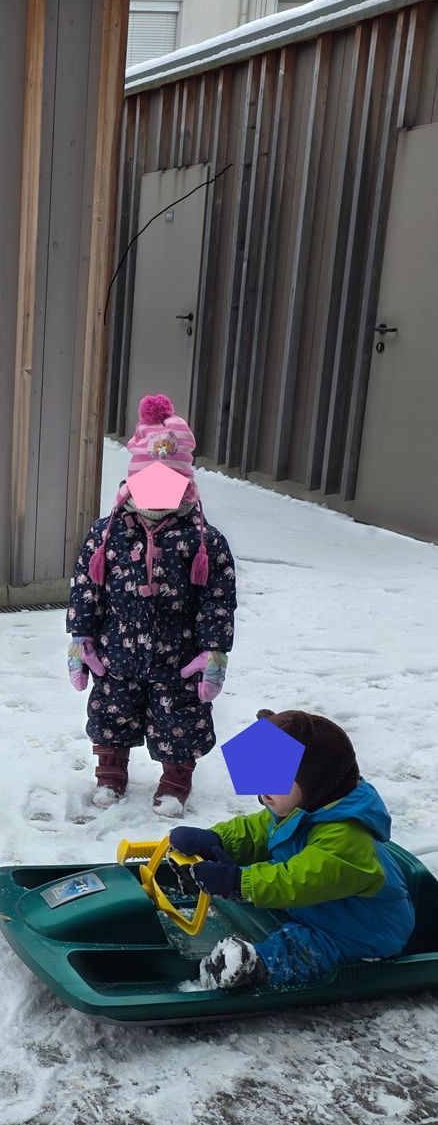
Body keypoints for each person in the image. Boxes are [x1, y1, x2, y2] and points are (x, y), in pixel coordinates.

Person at [66, 394, 237, 815]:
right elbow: (87, 585)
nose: (158, 494)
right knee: (111, 711)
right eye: (149, 482)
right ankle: (110, 774)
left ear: (185, 484)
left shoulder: (204, 541)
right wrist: (80, 637)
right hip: (116, 650)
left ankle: (176, 781)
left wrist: (214, 650)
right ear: (132, 481)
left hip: (177, 655)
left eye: (169, 484)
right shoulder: (107, 533)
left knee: (181, 720)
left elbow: (217, 599)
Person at [172, 709, 415, 990]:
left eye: (278, 779)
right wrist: (216, 839)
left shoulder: (346, 839)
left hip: (360, 932)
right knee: (293, 922)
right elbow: (258, 829)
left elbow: (299, 879)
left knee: (304, 947)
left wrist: (240, 882)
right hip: (323, 909)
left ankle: (252, 965)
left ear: (317, 781)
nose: (263, 788)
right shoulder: (301, 809)